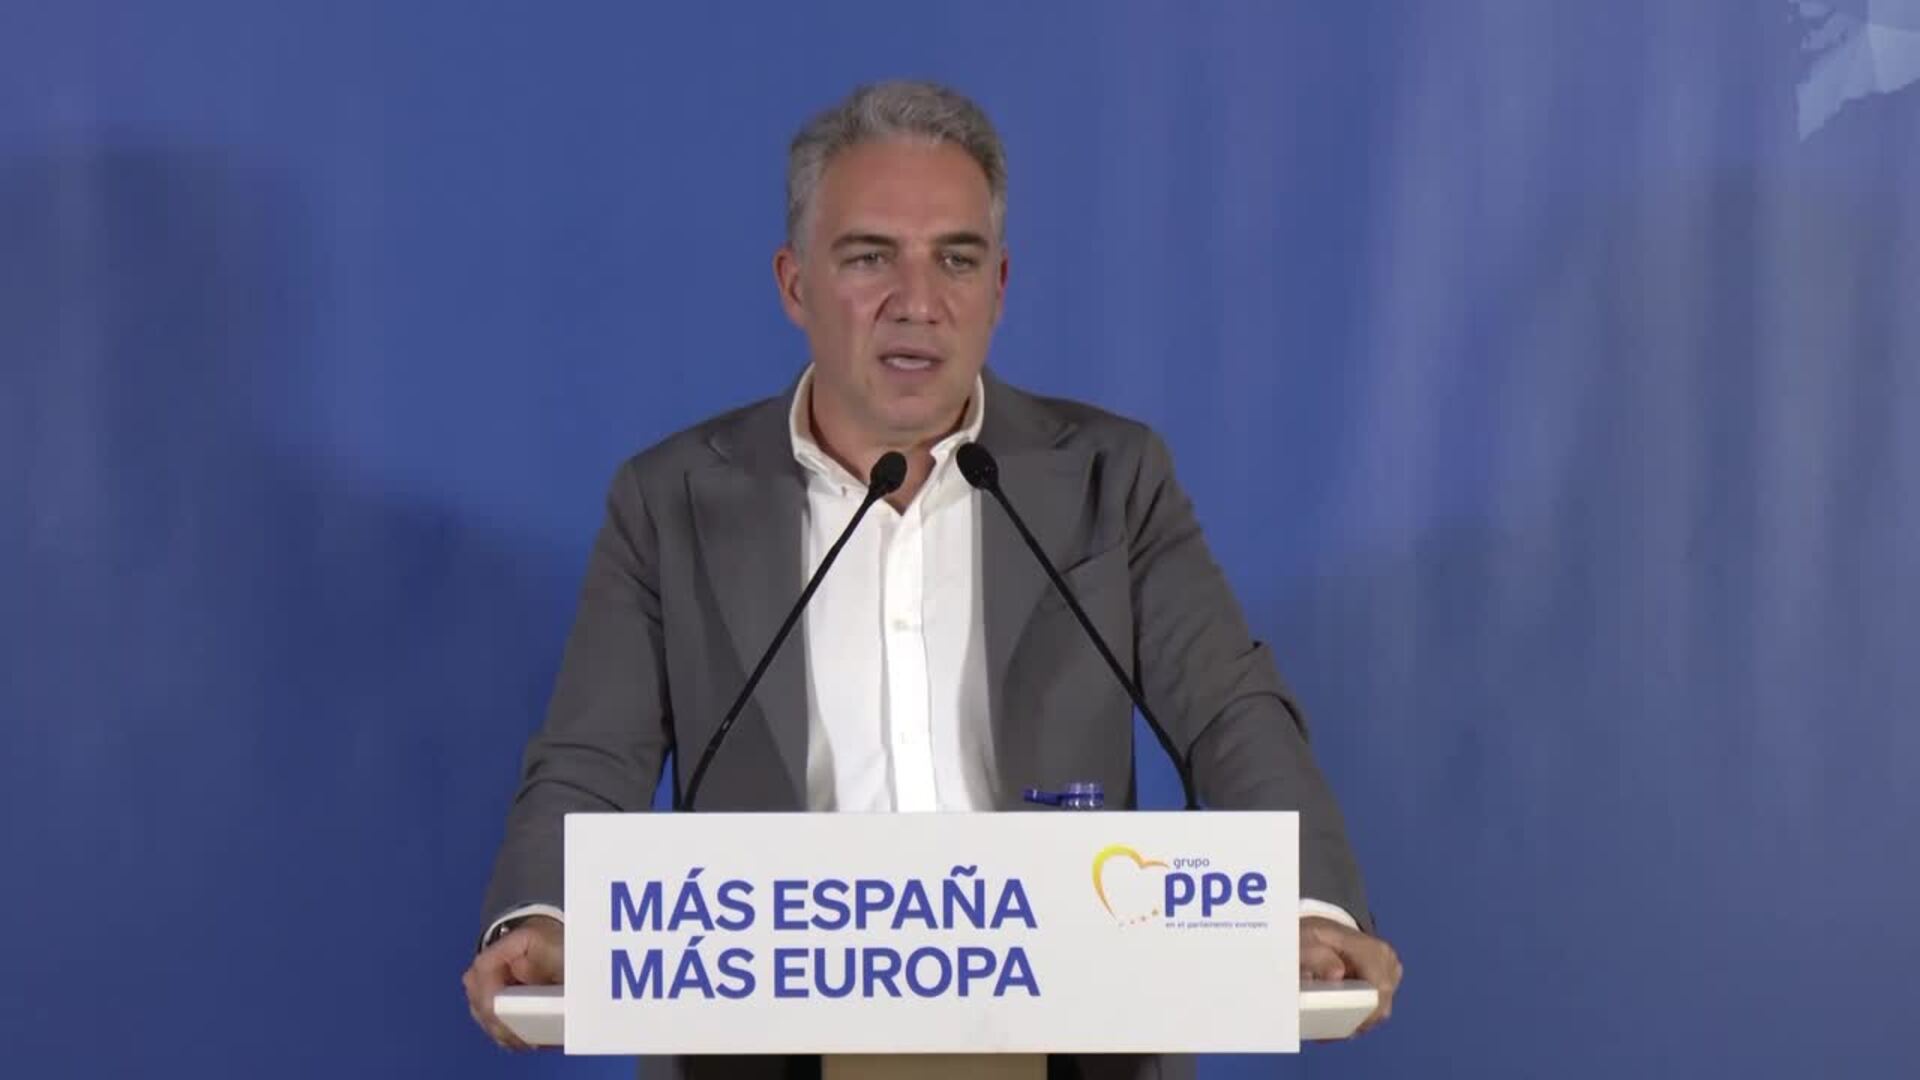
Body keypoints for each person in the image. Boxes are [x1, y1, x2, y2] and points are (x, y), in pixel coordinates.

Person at [462, 80, 1402, 1077]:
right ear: (794, 285)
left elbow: (1229, 714)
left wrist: (1310, 906)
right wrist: (544, 916)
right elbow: (590, 757)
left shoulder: (1109, 478)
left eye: (957, 259)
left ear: (999, 287)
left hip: (1069, 1042)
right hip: (771, 1050)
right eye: (870, 257)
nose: (918, 302)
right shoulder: (674, 500)